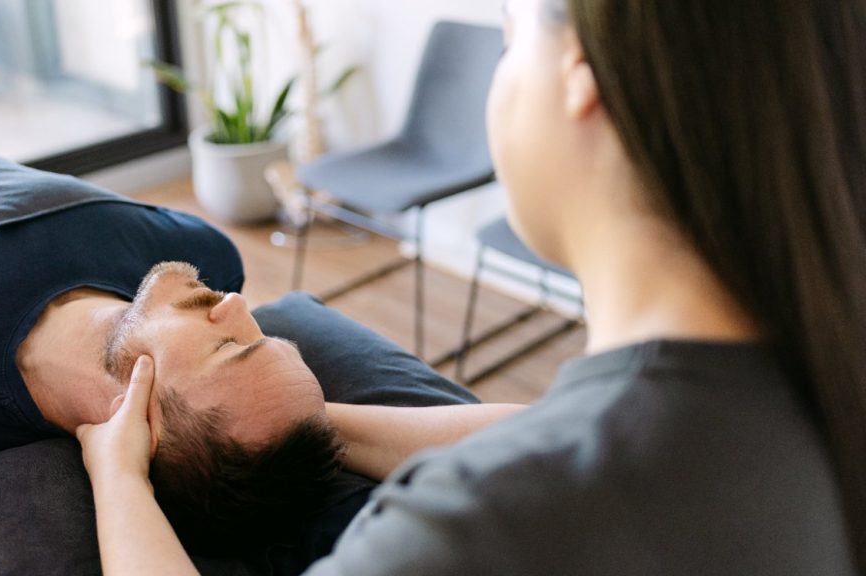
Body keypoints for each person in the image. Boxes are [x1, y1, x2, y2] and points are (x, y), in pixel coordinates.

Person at [77, 0, 865, 574]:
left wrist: (118, 481)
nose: (241, 310)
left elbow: (557, 459)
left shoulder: (475, 527)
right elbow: (554, 432)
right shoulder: (796, 381)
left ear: (577, 75)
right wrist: (296, 422)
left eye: (509, 37)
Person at [0, 98, 344, 552]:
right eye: (265, 333)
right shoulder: (201, 249)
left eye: (230, 346)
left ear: (144, 423)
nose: (235, 303)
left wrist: (121, 476)